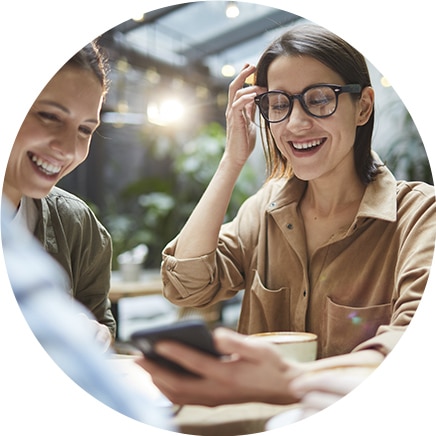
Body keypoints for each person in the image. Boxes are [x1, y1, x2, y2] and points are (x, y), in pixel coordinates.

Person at [141, 22, 435, 407]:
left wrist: (289, 382)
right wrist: (231, 161)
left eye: (318, 99)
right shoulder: (265, 209)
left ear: (362, 106)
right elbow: (186, 286)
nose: (296, 124)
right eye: (279, 104)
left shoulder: (417, 215)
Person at [1, 197, 174, 431]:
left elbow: (101, 321)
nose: (65, 157)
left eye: (82, 155)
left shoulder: (75, 218)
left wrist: (97, 334)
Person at [3, 42, 116, 349]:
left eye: (85, 130)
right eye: (50, 116)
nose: (68, 149)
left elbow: (99, 320)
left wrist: (98, 334)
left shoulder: (77, 224)